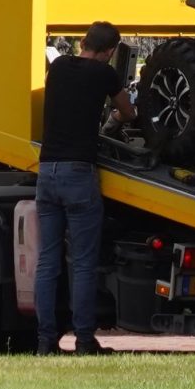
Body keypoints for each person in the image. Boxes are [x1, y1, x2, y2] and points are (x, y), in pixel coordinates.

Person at [35, 20, 136, 356]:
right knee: (82, 262)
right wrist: (118, 119)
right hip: (79, 174)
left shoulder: (59, 67)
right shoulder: (104, 74)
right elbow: (128, 110)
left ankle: (46, 341)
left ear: (83, 42)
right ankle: (83, 340)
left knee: (48, 262)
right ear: (109, 52)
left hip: (46, 171)